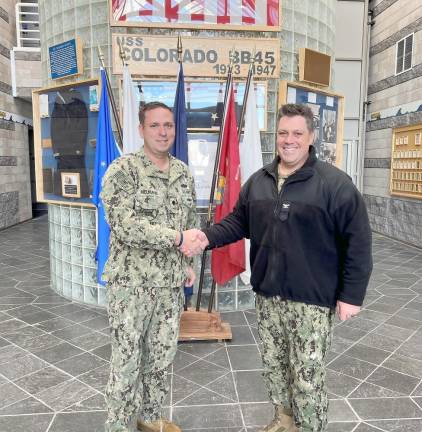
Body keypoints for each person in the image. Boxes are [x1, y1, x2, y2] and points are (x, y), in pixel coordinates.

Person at [194, 104, 373, 431]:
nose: (288, 140)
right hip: (268, 296)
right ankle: (284, 420)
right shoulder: (259, 181)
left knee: (307, 375)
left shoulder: (334, 184)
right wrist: (204, 237)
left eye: (297, 133)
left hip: (310, 301)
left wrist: (351, 296)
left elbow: (358, 242)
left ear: (311, 137)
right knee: (274, 367)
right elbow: (237, 222)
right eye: (282, 133)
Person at [100, 101, 203, 432]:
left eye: (169, 125)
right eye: (156, 125)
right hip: (131, 285)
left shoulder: (182, 173)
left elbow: (191, 220)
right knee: (127, 360)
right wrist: (176, 239)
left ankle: (150, 416)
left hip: (170, 286)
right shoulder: (123, 170)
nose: (163, 132)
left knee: (161, 357)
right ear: (141, 129)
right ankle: (117, 425)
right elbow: (124, 225)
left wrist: (188, 260)